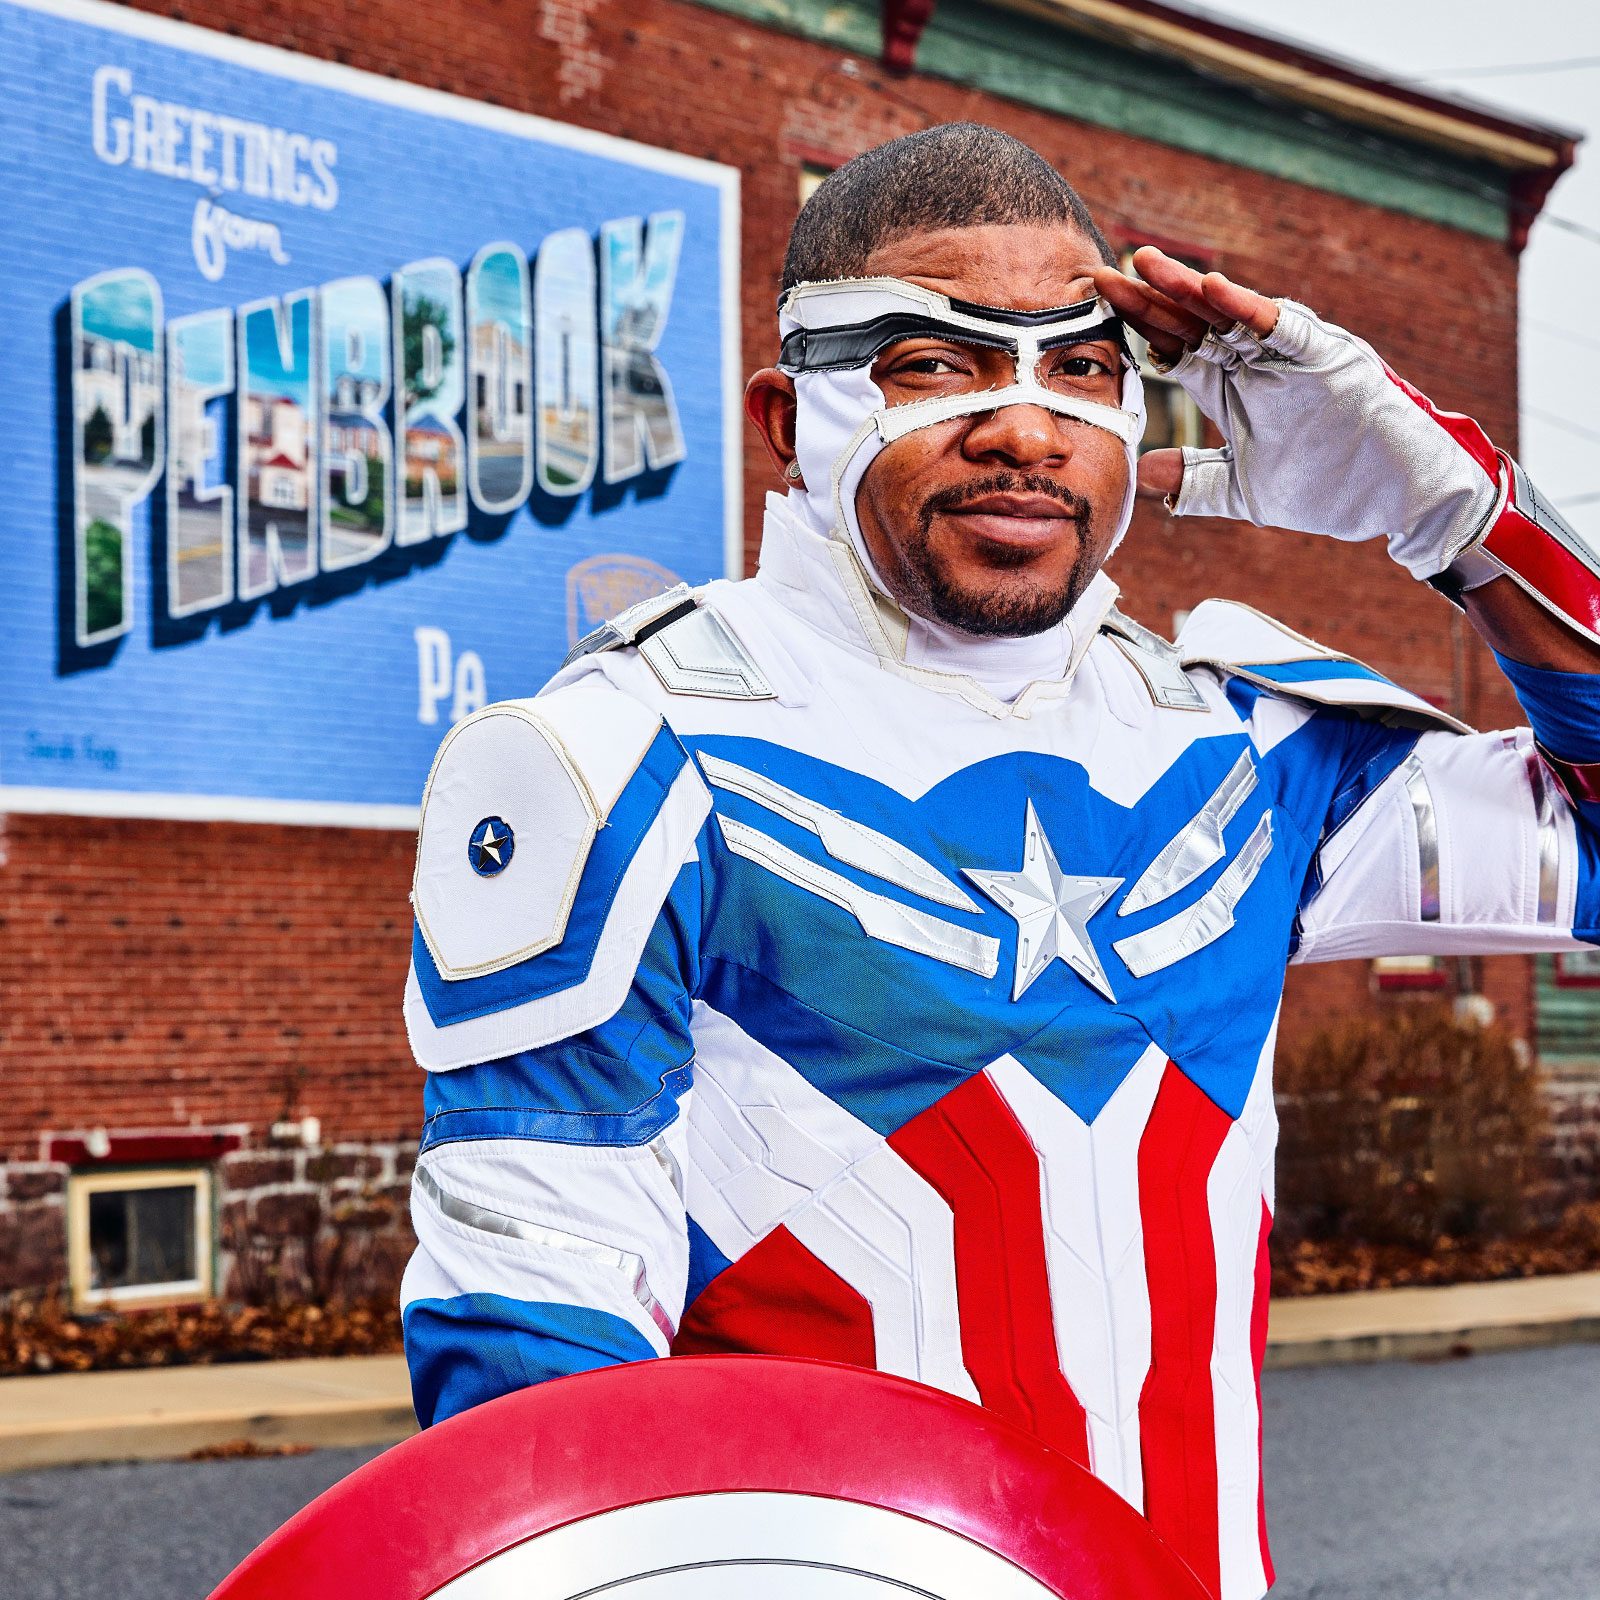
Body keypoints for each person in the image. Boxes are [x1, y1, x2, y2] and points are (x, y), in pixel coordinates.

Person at [398, 124, 1600, 1600]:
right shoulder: (623, 756)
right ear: (790, 419)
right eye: (933, 363)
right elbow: (541, 1388)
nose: (1026, 427)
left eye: (1082, 370)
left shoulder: (1251, 756)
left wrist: (1457, 513)